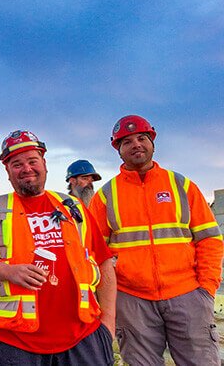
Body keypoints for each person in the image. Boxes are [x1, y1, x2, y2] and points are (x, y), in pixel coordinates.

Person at [0, 130, 116, 365]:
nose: (26, 168)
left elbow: (103, 261)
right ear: (8, 172)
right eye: (17, 164)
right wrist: (8, 271)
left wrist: (108, 323)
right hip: (16, 340)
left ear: (44, 164)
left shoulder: (72, 206)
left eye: (33, 161)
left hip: (82, 334)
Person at [89, 115, 223, 365]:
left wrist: (206, 288)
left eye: (142, 138)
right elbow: (96, 254)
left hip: (188, 294)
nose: (136, 144)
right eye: (126, 141)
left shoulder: (181, 186)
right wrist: (112, 297)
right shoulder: (106, 196)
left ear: (152, 141)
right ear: (117, 149)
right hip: (132, 300)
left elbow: (209, 239)